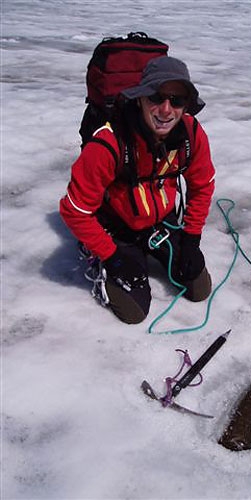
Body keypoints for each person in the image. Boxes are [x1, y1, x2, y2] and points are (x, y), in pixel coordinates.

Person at [60, 56, 215, 324]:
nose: (166, 110)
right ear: (141, 98)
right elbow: (74, 210)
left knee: (199, 288)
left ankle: (151, 245)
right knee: (134, 313)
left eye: (177, 100)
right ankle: (102, 259)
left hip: (159, 222)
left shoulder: (191, 134)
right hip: (116, 228)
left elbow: (202, 186)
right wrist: (111, 255)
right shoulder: (108, 144)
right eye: (156, 96)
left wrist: (191, 239)